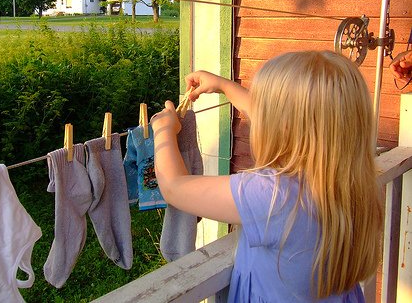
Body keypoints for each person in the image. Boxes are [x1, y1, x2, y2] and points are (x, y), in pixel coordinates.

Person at [151, 51, 383, 302]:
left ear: (281, 126)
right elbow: (293, 121)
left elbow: (173, 187)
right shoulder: (351, 182)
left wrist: (163, 131)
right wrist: (224, 86)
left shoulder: (274, 194)